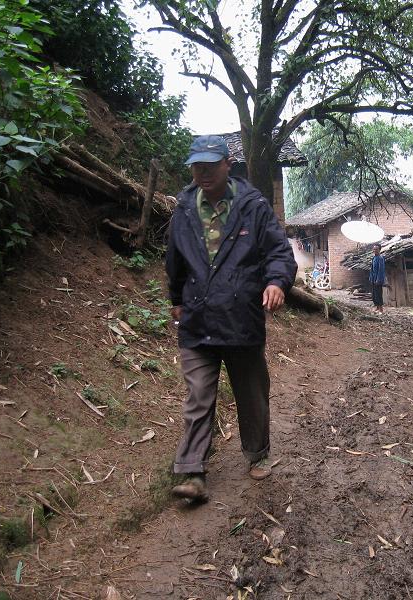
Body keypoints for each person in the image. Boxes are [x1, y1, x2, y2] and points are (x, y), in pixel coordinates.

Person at [165, 135, 297, 502]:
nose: (202, 172)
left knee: (251, 394)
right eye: (196, 165)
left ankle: (257, 454)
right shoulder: (184, 208)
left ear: (227, 164)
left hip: (241, 318)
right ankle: (192, 472)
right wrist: (176, 298)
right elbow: (174, 258)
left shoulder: (252, 206)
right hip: (197, 318)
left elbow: (278, 252)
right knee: (199, 396)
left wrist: (276, 283)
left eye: (210, 164)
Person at [369, 243, 385, 313]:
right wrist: (371, 278)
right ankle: (377, 307)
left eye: (376, 249)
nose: (374, 250)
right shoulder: (374, 258)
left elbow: (381, 270)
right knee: (374, 295)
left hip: (378, 280)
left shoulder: (380, 258)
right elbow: (372, 269)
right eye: (374, 249)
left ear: (379, 250)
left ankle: (381, 309)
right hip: (373, 279)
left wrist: (378, 280)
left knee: (378, 294)